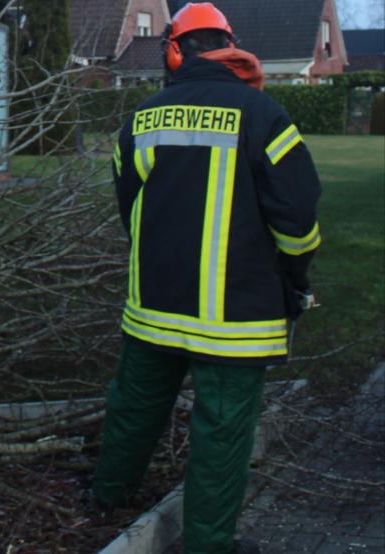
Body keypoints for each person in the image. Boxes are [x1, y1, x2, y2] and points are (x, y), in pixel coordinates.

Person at [92, 3, 322, 553]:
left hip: (153, 305)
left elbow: (130, 208)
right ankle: (208, 546)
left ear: (174, 50)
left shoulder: (141, 118)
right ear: (230, 46)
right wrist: (293, 275)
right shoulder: (264, 115)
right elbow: (298, 216)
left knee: (135, 404)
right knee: (221, 435)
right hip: (235, 317)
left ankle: (106, 498)